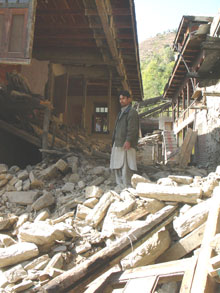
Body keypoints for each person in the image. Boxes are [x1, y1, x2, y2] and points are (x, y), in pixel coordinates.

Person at [110, 90, 139, 187]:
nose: (121, 101)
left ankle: (127, 185)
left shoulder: (132, 112)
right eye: (120, 99)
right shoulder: (121, 113)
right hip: (118, 142)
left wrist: (128, 140)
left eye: (123, 98)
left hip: (126, 143)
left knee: (126, 165)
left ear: (129, 99)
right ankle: (120, 184)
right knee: (117, 164)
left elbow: (133, 128)